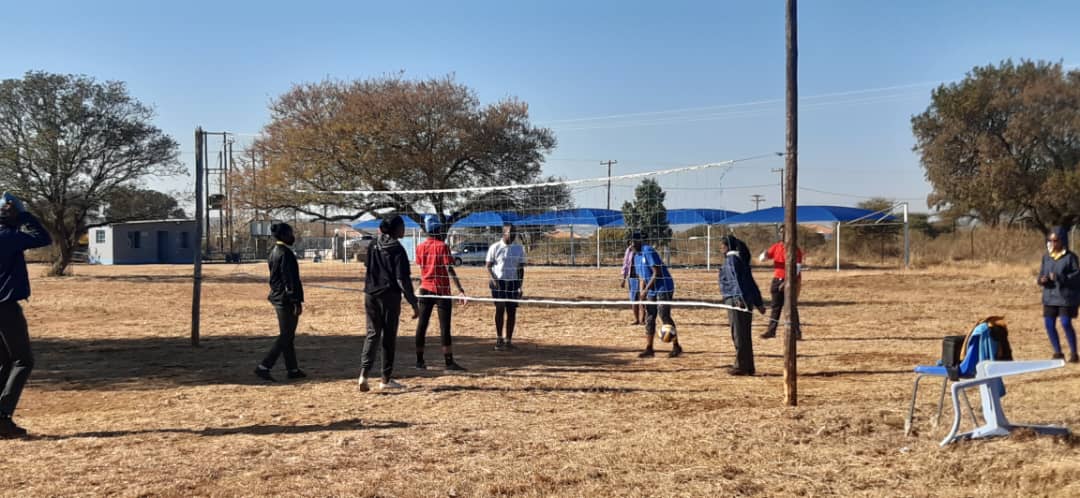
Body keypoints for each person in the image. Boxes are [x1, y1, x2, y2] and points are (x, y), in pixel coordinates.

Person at [0, 192, 52, 438]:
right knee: (23, 360)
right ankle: (2, 416)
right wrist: (23, 215)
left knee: (6, 361)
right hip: (5, 306)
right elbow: (43, 238)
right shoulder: (9, 236)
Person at [359, 215, 419, 391]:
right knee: (388, 337)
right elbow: (402, 279)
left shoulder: (373, 243)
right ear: (395, 229)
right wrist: (413, 303)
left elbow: (367, 266)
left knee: (372, 334)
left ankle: (363, 375)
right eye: (402, 226)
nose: (404, 230)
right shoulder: (397, 249)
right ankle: (385, 379)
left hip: (370, 293)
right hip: (389, 296)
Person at [414, 215, 467, 371]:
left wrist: (418, 286)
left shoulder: (420, 247)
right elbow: (449, 269)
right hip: (441, 290)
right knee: (445, 327)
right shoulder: (442, 246)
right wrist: (460, 290)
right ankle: (449, 362)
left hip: (424, 289)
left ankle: (419, 361)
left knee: (422, 325)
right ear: (437, 230)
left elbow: (421, 268)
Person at [255, 222, 306, 382]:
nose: (293, 236)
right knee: (286, 335)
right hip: (285, 299)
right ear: (283, 235)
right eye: (290, 233)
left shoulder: (274, 252)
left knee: (288, 335)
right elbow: (289, 280)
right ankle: (264, 366)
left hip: (278, 296)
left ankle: (292, 369)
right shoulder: (285, 254)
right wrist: (296, 301)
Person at [720, 234, 766, 376]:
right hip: (745, 299)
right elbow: (751, 282)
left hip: (736, 301)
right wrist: (758, 303)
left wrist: (738, 298)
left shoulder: (731, 260)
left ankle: (740, 365)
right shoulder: (740, 259)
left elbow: (736, 281)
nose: (720, 248)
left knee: (739, 333)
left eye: (722, 245)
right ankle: (748, 366)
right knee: (745, 334)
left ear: (728, 246)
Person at [631, 232, 682, 358]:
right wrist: (642, 294)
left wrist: (645, 290)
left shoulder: (648, 250)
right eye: (629, 242)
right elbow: (642, 277)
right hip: (651, 289)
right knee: (650, 316)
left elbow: (657, 272)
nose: (630, 245)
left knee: (664, 314)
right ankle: (649, 348)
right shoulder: (636, 256)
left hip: (664, 287)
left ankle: (676, 346)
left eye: (632, 242)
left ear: (638, 242)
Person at [1038, 226, 1080, 363]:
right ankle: (1057, 352)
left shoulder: (1071, 258)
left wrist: (1060, 277)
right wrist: (1042, 280)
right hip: (1050, 296)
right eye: (1050, 240)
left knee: (1065, 322)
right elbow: (1041, 274)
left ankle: (1074, 353)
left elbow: (1076, 277)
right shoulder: (1046, 257)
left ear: (1062, 241)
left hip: (1066, 297)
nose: (1053, 243)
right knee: (1049, 324)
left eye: (1056, 240)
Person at [486, 223, 527, 351]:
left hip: (513, 282)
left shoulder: (519, 248)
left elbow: (521, 269)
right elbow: (488, 265)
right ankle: (499, 339)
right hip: (499, 282)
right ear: (504, 233)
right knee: (500, 308)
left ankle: (508, 341)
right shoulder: (495, 247)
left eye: (515, 232)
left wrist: (520, 285)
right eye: (511, 232)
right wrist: (494, 280)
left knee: (512, 311)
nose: (514, 234)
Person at [758, 227, 803, 339]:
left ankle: (796, 332)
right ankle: (771, 331)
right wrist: (764, 255)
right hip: (777, 279)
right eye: (781, 232)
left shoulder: (794, 249)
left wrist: (788, 282)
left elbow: (797, 269)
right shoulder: (777, 246)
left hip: (790, 281)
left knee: (791, 307)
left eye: (784, 232)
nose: (782, 234)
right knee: (775, 307)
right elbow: (762, 259)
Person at [620, 237, 643, 325]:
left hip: (641, 277)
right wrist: (623, 279)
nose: (632, 243)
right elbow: (625, 264)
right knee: (634, 299)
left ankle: (643, 319)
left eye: (634, 241)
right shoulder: (628, 250)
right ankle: (636, 319)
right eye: (631, 242)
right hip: (632, 277)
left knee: (642, 298)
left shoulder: (642, 250)